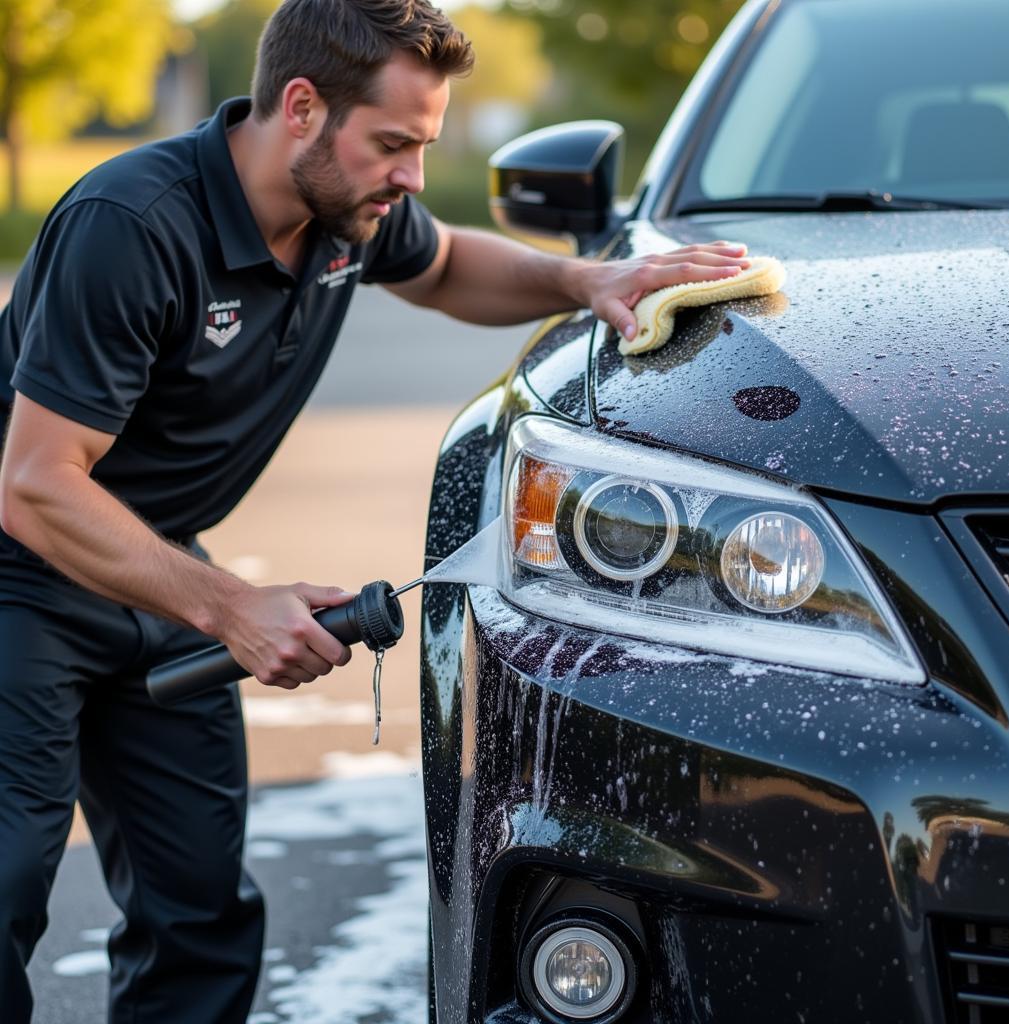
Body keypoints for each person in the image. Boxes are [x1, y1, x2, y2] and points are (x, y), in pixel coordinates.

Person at [0, 0, 751, 1020]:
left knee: (200, 914)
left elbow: (444, 266)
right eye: (394, 144)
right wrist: (230, 607)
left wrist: (588, 280)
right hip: (23, 572)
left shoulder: (347, 209)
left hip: (155, 565)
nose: (411, 177)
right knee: (6, 886)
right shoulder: (132, 227)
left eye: (423, 146)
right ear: (302, 108)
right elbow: (37, 486)